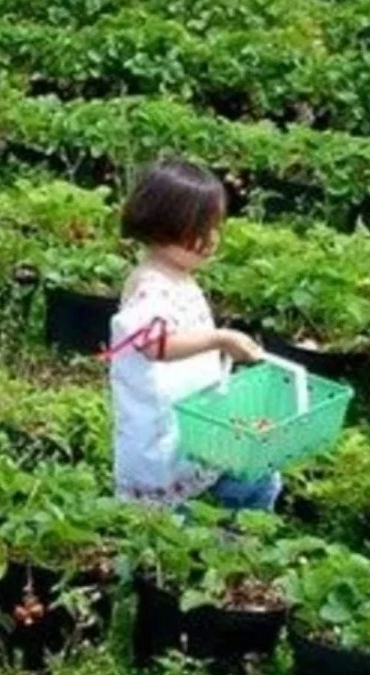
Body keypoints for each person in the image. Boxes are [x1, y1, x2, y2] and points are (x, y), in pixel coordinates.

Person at [107, 159, 280, 511]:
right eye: (207, 228)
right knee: (167, 507)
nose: (214, 239)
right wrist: (220, 339)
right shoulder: (150, 285)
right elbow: (154, 344)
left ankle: (232, 540)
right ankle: (185, 551)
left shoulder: (177, 274)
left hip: (190, 408)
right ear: (172, 226)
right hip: (161, 420)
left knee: (248, 474)